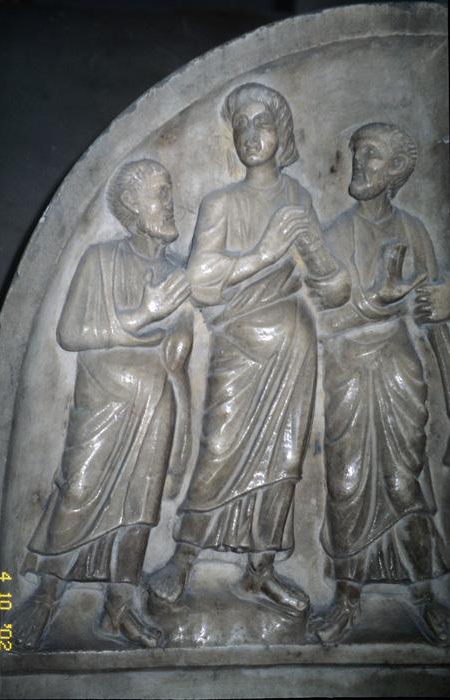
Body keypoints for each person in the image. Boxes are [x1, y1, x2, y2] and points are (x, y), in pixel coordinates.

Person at [149, 82, 350, 616]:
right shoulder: (221, 203)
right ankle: (184, 558)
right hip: (240, 343)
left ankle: (261, 570)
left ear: (281, 133)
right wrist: (264, 253)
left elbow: (329, 282)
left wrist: (331, 277)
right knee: (220, 448)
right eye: (242, 126)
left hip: (294, 343)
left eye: (262, 123)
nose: (250, 135)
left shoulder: (299, 198)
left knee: (284, 460)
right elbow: (201, 280)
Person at [13, 159, 192, 649]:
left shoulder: (179, 273)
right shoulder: (100, 259)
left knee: (139, 511)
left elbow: (179, 360)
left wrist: (184, 438)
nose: (169, 202)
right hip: (102, 405)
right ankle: (47, 596)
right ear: (132, 207)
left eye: (169, 190)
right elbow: (70, 333)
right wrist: (141, 316)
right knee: (78, 491)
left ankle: (118, 608)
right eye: (159, 193)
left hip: (156, 407)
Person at [310, 122, 450, 646]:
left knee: (403, 480)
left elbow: (433, 318)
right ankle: (346, 601)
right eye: (356, 155)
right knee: (346, 482)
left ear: (395, 172)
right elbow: (322, 321)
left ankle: (423, 598)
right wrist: (371, 301)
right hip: (348, 370)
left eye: (371, 157)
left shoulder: (414, 229)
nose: (359, 165)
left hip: (398, 369)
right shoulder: (335, 233)